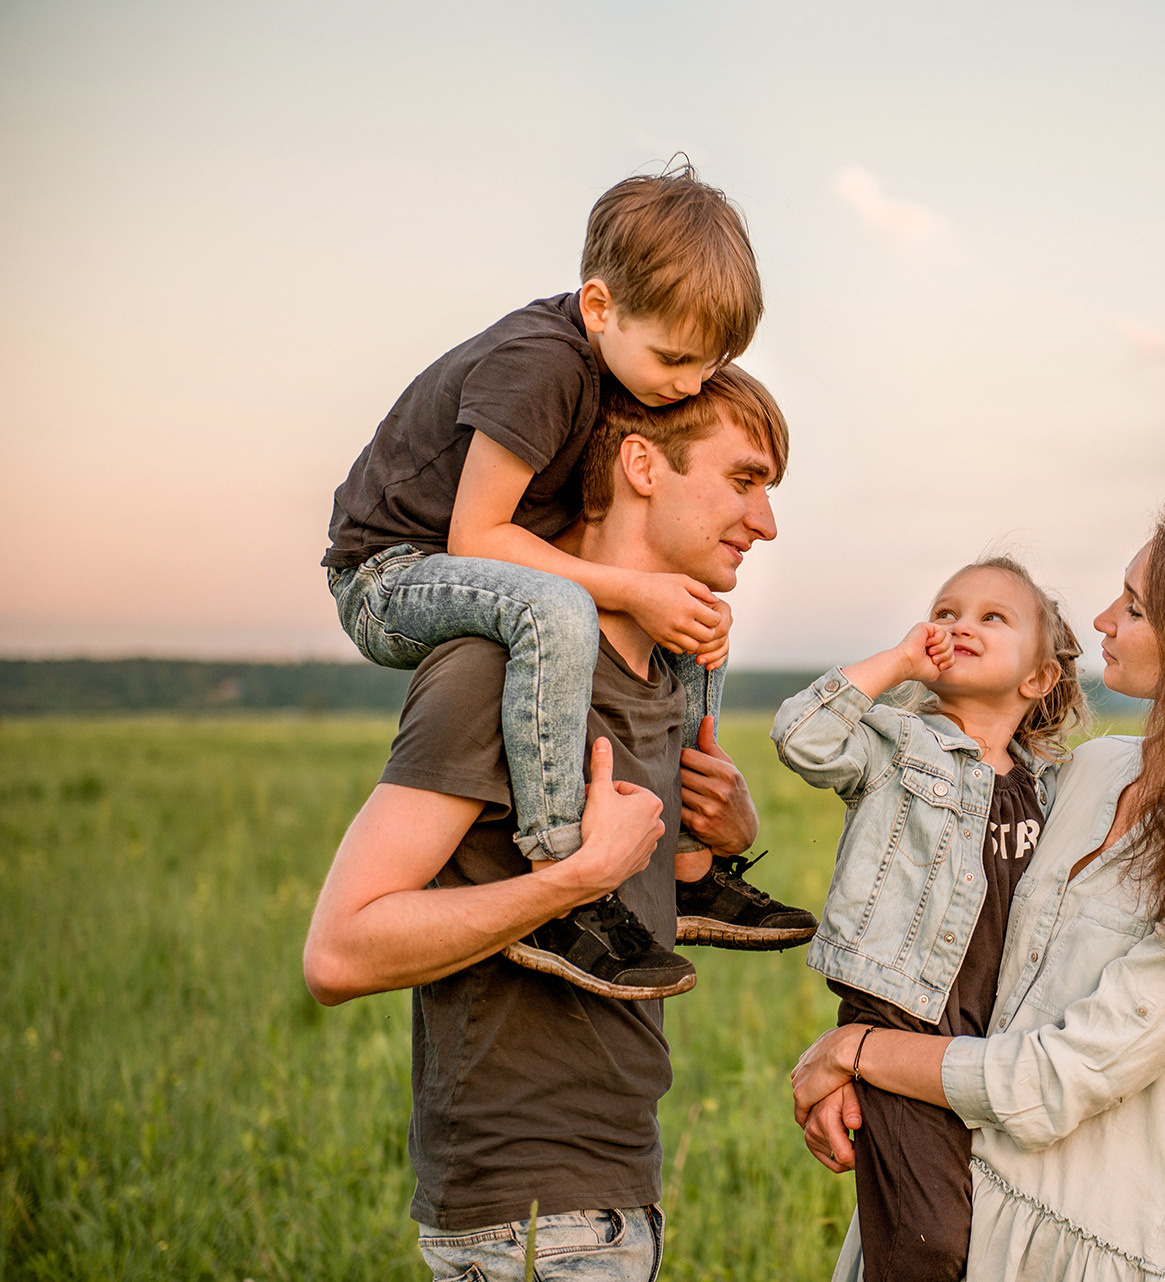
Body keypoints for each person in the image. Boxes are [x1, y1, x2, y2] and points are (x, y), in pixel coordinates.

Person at [790, 492, 1165, 1282]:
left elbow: (1051, 1080)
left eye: (1133, 606)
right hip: (964, 1201)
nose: (1099, 621)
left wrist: (856, 1051)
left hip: (1105, 1252)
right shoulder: (1091, 772)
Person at [303, 368, 790, 1279]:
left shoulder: (659, 678)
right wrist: (570, 878)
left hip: (617, 1197)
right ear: (641, 464)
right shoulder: (493, 667)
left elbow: (632, 903)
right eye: (744, 480)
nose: (766, 522)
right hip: (528, 1221)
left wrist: (713, 841)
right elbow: (339, 953)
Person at [321, 163, 803, 995]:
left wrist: (660, 599)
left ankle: (691, 874)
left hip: (454, 562)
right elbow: (475, 536)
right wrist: (629, 588)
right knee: (562, 611)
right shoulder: (540, 365)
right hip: (390, 574)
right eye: (676, 358)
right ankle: (563, 874)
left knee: (693, 623)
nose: (691, 384)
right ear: (598, 307)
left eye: (712, 361)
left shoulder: (615, 364)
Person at [771, 558, 1088, 1282]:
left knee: (990, 1234)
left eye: (991, 617)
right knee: (931, 1243)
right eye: (946, 612)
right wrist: (899, 661)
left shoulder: (1048, 784)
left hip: (999, 1039)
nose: (958, 625)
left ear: (1038, 678)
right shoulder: (898, 745)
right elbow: (802, 736)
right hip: (903, 1023)